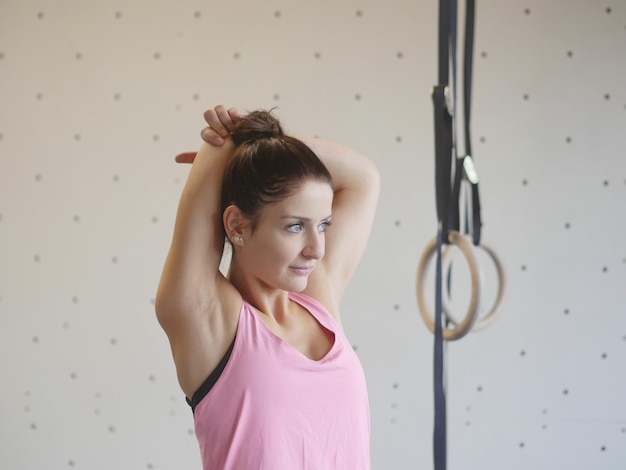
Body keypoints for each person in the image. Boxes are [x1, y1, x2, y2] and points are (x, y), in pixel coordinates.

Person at [155, 105, 380, 469]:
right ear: (237, 226)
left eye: (323, 224)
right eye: (294, 226)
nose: (316, 249)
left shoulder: (316, 300)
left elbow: (363, 177)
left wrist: (261, 148)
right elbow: (196, 212)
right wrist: (225, 148)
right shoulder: (209, 322)